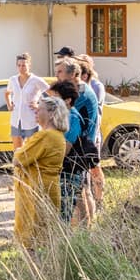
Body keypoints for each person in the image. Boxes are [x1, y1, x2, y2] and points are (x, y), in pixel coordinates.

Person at [12, 96, 68, 251]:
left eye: (40, 108)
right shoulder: (57, 135)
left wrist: (18, 151)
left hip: (36, 189)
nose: (36, 110)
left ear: (51, 114)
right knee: (46, 235)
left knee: (32, 237)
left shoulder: (45, 136)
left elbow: (19, 159)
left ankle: (35, 272)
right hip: (49, 187)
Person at [55, 57, 100, 224]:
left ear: (74, 74)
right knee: (82, 190)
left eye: (60, 72)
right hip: (78, 145)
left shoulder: (80, 93)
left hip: (79, 148)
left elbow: (67, 117)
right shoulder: (77, 90)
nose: (57, 76)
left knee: (80, 192)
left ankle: (85, 229)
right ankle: (87, 228)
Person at [49, 80, 92, 224]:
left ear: (67, 100)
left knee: (63, 216)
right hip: (63, 171)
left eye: (55, 98)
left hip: (69, 172)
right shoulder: (61, 116)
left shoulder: (73, 118)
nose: (51, 101)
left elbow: (64, 149)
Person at [78, 55, 107, 219]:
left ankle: (99, 198)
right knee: (86, 173)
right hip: (85, 136)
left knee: (95, 168)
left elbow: (94, 111)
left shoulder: (95, 86)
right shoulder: (81, 87)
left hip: (93, 135)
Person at [5, 53, 48, 151]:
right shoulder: (13, 80)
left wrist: (40, 106)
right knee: (18, 152)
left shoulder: (36, 80)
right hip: (16, 120)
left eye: (24, 65)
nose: (21, 68)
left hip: (31, 120)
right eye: (19, 65)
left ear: (29, 65)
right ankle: (19, 167)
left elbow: (52, 94)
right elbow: (7, 93)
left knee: (33, 150)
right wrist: (9, 105)